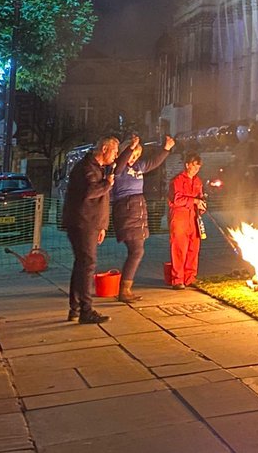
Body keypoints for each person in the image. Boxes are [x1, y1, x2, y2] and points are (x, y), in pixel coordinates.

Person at [61, 134, 120, 324]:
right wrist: (108, 184)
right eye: (115, 151)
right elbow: (90, 193)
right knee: (87, 264)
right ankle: (86, 310)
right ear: (104, 149)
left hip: (89, 222)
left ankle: (75, 308)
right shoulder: (87, 168)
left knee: (81, 264)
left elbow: (98, 200)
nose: (116, 156)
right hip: (83, 223)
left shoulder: (96, 168)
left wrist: (101, 226)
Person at [112, 132, 176, 301]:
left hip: (138, 211)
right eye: (133, 154)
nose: (135, 158)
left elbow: (153, 162)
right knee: (137, 251)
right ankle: (124, 290)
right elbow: (119, 165)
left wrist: (166, 149)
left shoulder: (137, 168)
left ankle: (125, 289)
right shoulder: (118, 170)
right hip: (127, 210)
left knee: (137, 251)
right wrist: (130, 147)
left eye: (138, 155)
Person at [168, 151, 206, 288]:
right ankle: (177, 280)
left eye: (198, 167)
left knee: (193, 248)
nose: (196, 169)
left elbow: (201, 197)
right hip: (179, 217)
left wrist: (201, 205)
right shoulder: (177, 181)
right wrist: (195, 201)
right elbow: (177, 199)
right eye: (194, 166)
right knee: (179, 248)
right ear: (187, 165)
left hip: (193, 218)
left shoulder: (198, 181)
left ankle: (190, 277)